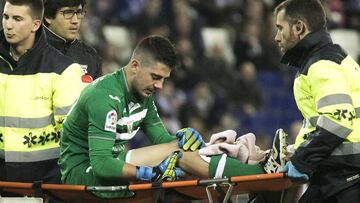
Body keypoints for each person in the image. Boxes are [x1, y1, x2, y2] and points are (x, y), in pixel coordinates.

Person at [58, 35, 206, 198]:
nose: (160, 86)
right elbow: (101, 164)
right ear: (135, 65)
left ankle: (224, 166)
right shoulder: (104, 96)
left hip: (114, 163)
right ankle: (228, 173)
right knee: (178, 162)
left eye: (164, 79)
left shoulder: (144, 93)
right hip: (81, 175)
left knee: (180, 151)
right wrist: (147, 174)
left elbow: (162, 139)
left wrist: (183, 138)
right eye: (155, 77)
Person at [273, 0, 360, 202]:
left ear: (299, 28)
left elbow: (337, 120)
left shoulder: (321, 64)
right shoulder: (333, 58)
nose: (276, 37)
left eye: (280, 28)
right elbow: (321, 124)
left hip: (344, 181)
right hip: (343, 178)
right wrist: (294, 152)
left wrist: (303, 160)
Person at [0, 0, 86, 183]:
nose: (8, 25)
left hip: (44, 184)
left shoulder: (64, 70)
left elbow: (73, 136)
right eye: (6, 17)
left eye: (17, 19)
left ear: (36, 24)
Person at [44, 0, 102, 80]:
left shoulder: (91, 56)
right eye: (68, 13)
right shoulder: (30, 52)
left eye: (79, 12)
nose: (75, 21)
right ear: (48, 17)